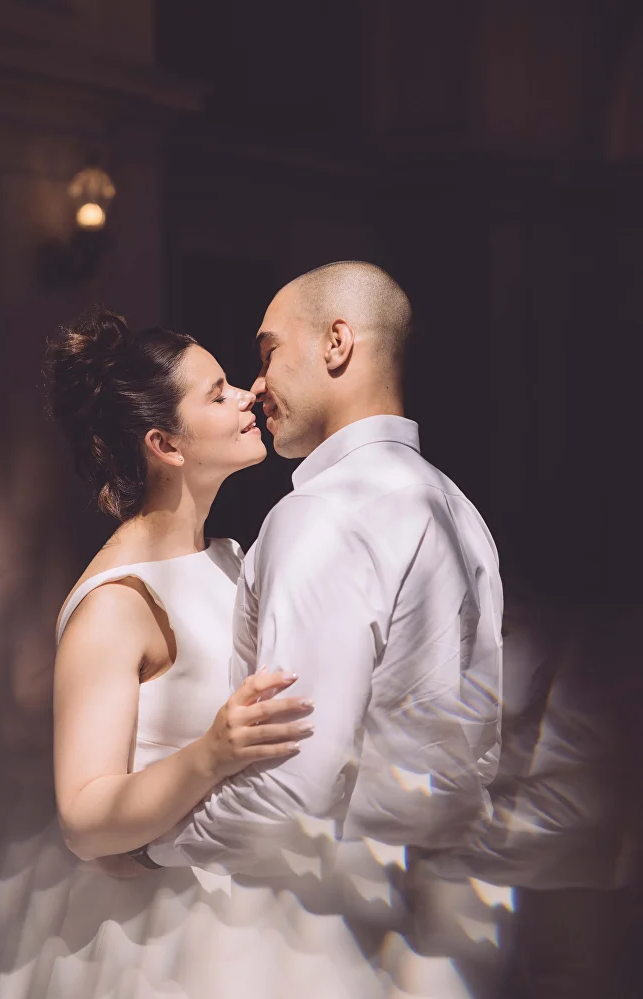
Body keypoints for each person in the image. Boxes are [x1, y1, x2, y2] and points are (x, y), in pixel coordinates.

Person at [138, 262, 505, 997]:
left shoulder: (327, 515)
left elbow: (290, 787)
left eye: (268, 351)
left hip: (331, 938)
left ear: (339, 342)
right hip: (440, 925)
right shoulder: (457, 506)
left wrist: (154, 844)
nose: (258, 383)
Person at [0, 309, 315, 999]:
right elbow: (83, 814)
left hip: (249, 895)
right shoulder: (117, 601)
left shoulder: (224, 558)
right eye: (217, 393)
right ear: (165, 442)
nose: (246, 395)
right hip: (163, 936)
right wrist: (212, 753)